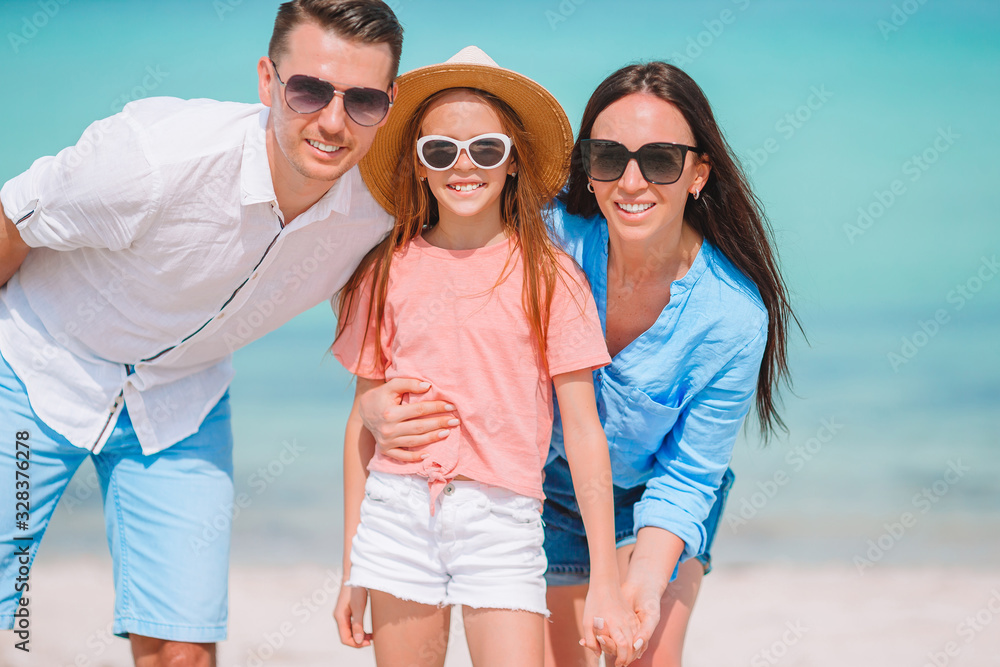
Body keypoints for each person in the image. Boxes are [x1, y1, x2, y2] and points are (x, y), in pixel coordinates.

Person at [0, 1, 402, 665]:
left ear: (388, 106)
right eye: (308, 90)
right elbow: (14, 223)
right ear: (269, 82)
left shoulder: (377, 208)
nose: (333, 122)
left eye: (362, 100)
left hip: (180, 400)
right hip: (36, 367)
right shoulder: (153, 158)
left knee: (181, 649)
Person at [357, 61, 796, 667]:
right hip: (545, 493)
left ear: (699, 173)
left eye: (662, 160)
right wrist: (374, 406)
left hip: (658, 500)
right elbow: (442, 311)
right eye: (609, 158)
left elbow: (690, 477)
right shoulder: (546, 243)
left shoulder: (732, 318)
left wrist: (634, 584)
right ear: (587, 169)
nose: (632, 182)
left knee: (644, 659)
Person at [330, 47, 640, 667]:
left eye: (486, 150)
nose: (462, 166)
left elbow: (583, 431)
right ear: (419, 167)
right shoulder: (384, 270)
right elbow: (362, 422)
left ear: (514, 161)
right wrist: (352, 565)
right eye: (439, 151)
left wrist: (605, 575)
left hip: (503, 520)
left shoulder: (552, 278)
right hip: (397, 513)